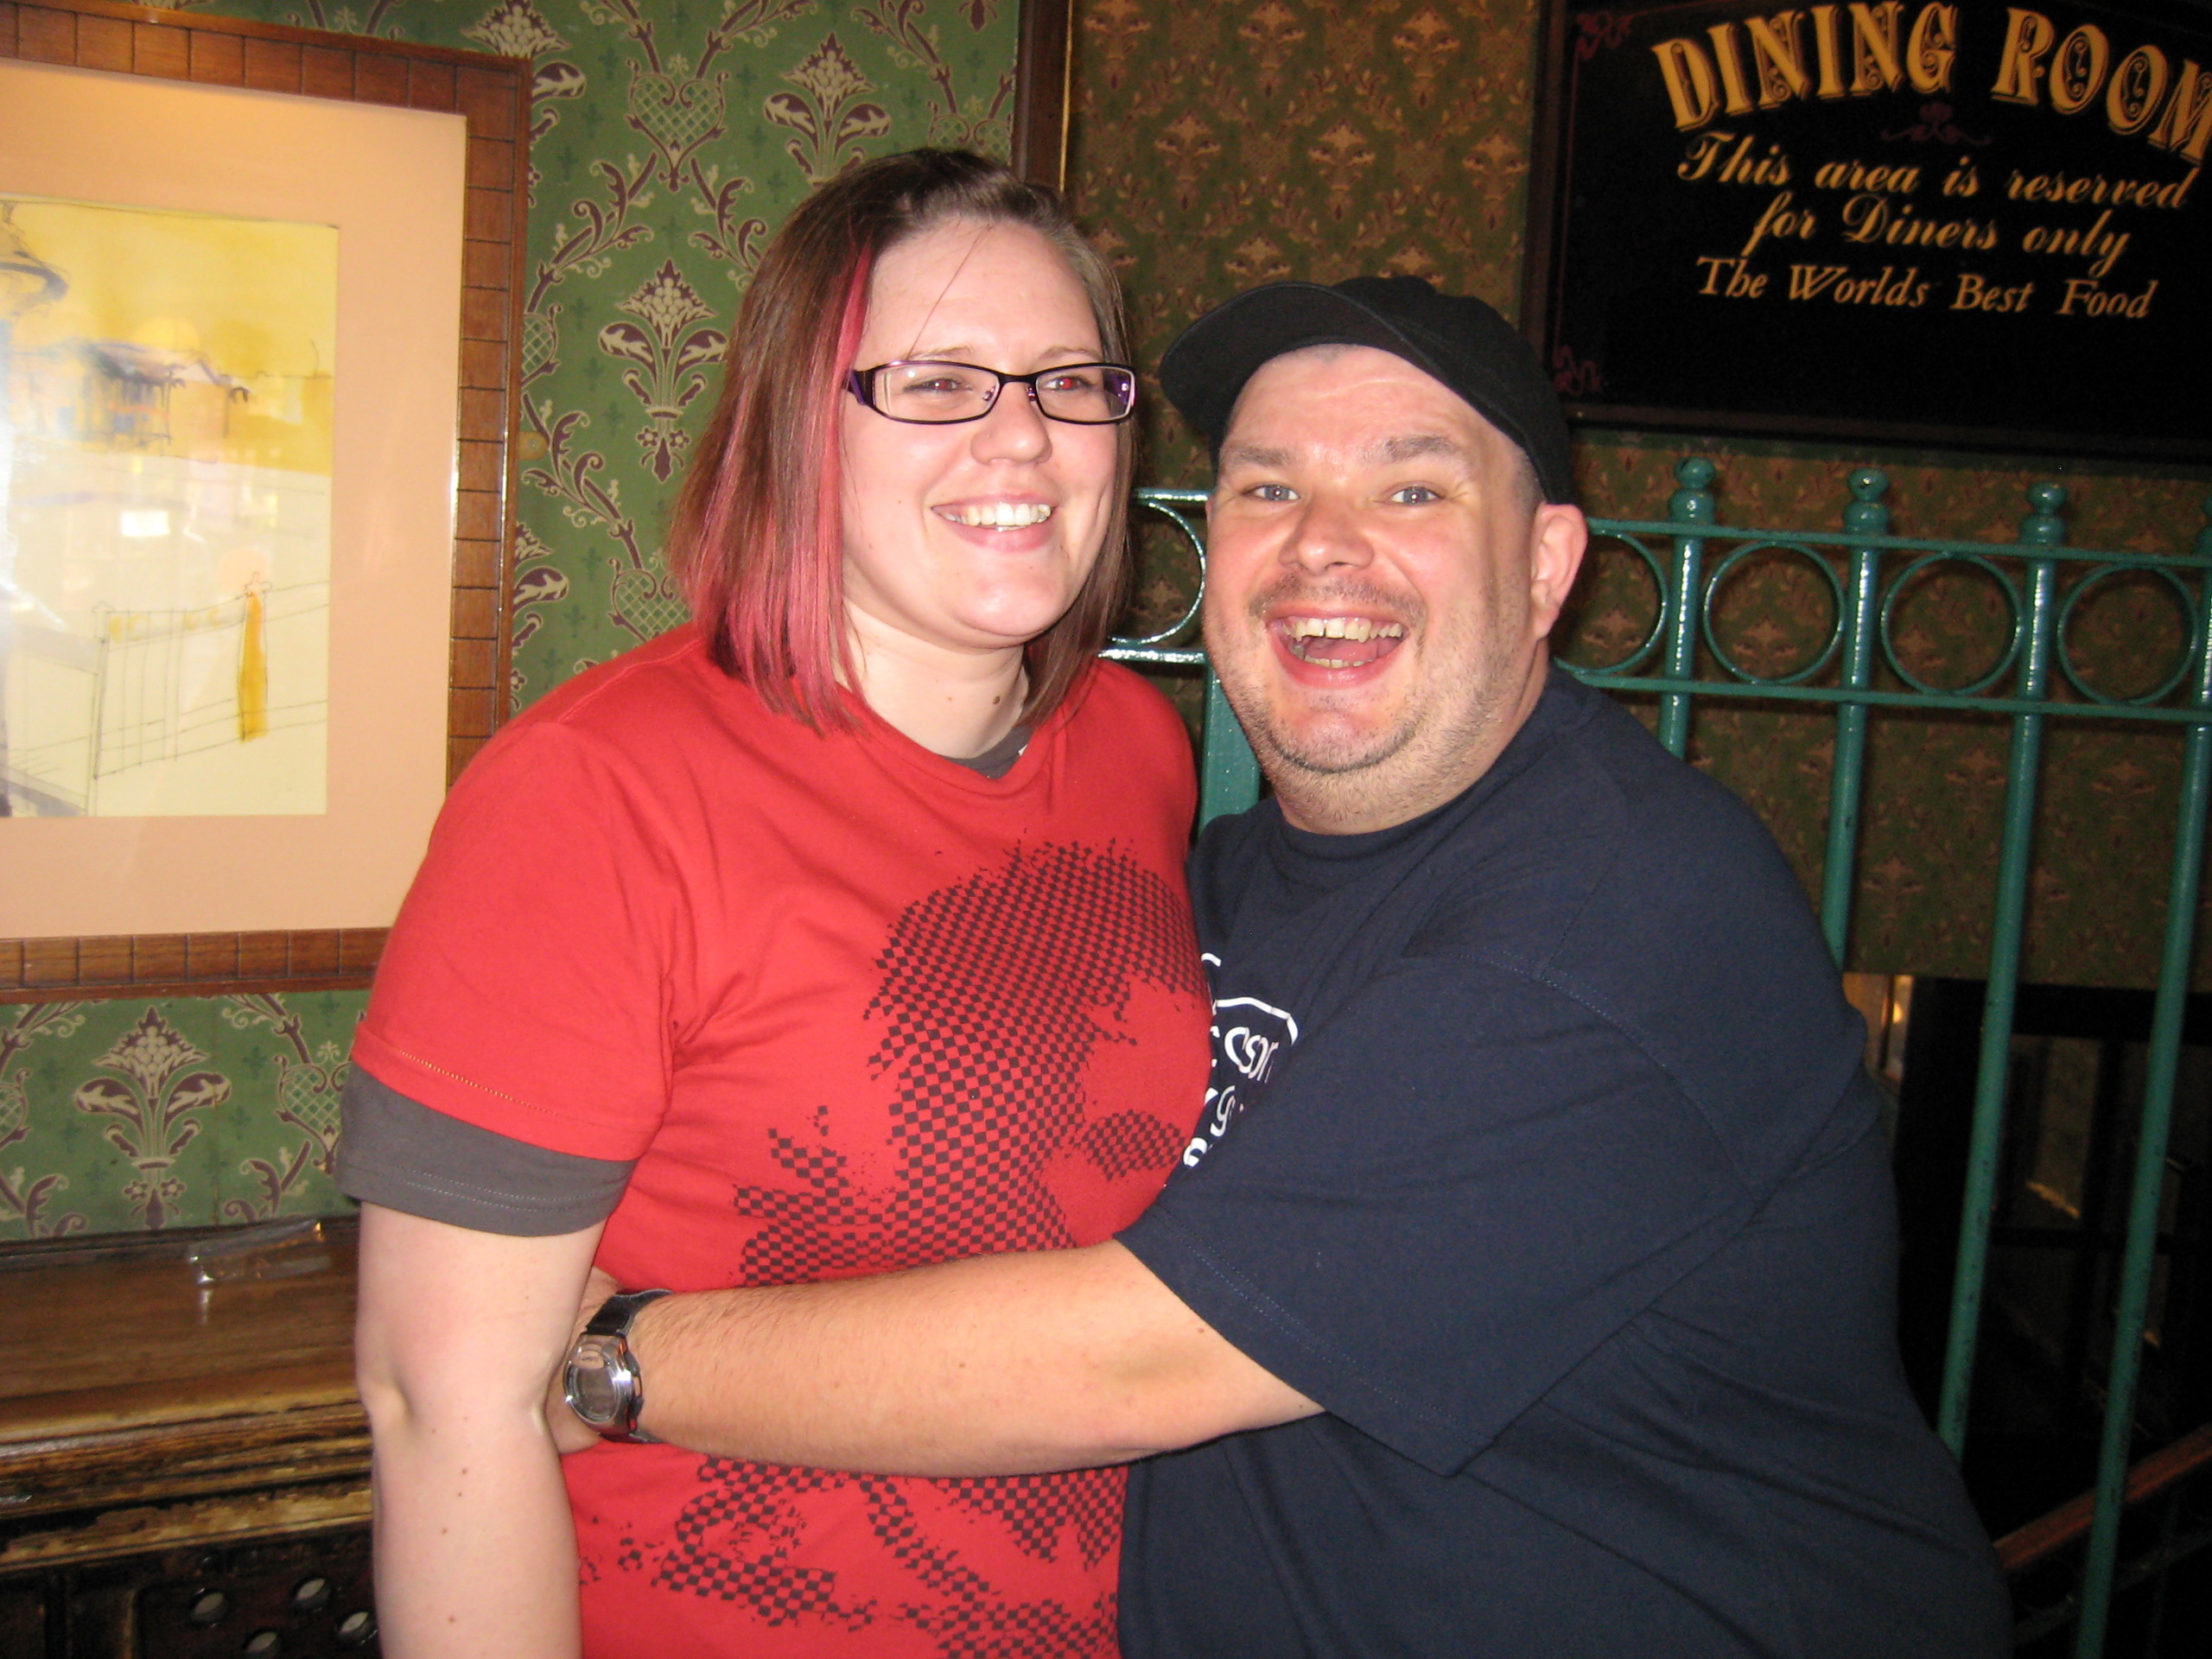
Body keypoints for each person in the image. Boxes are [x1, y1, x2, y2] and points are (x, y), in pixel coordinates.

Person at [546, 276, 2015, 1657]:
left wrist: (616, 1357)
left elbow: (1143, 1356)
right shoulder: (1217, 877)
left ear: (1549, 561)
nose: (1323, 544)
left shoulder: (1623, 908)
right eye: (1268, 487)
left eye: (1413, 486)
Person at [336, 149, 1212, 1659]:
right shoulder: (597, 794)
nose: (1024, 442)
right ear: (802, 422)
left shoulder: (1138, 753)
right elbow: (441, 1404)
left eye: (1073, 383)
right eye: (939, 384)